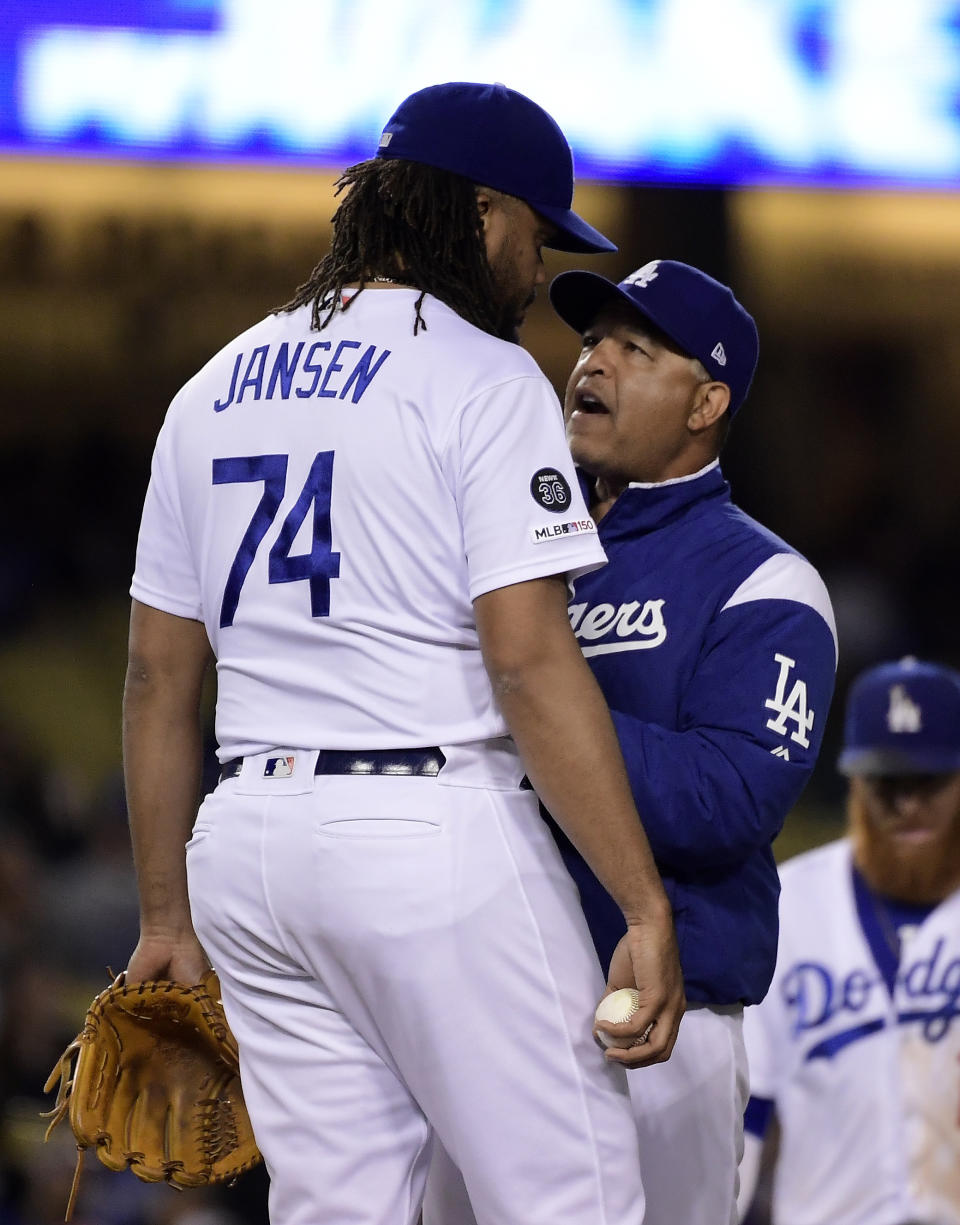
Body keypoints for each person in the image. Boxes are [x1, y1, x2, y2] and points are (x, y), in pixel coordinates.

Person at [120, 82, 685, 1225]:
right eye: (537, 233)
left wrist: (166, 917)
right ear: (480, 213)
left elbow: (155, 680)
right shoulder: (478, 375)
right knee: (577, 1197)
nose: (538, 270)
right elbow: (526, 663)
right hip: (426, 829)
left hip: (249, 853)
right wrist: (641, 900)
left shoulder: (208, 389)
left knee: (341, 1210)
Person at [424, 259, 838, 1225]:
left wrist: (537, 706)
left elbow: (729, 796)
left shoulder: (767, 582)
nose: (591, 365)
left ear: (707, 401)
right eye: (590, 342)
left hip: (654, 1023)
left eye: (633, 349)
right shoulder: (509, 547)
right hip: (482, 1002)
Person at [738, 656, 960, 1225]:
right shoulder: (786, 905)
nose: (907, 804)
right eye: (888, 782)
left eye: (929, 781)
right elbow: (744, 1118)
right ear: (855, 782)